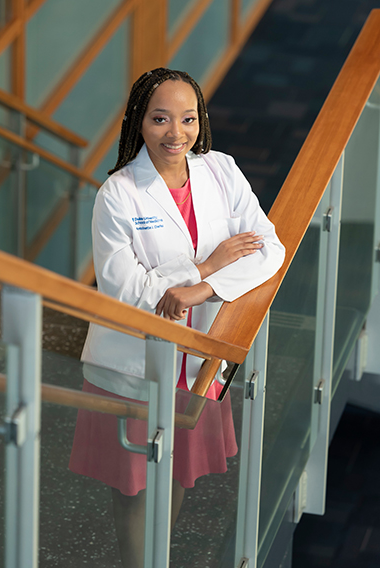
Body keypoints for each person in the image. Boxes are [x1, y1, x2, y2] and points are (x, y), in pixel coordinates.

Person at [69, 67, 285, 567]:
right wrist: (207, 264)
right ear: (138, 123)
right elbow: (129, 292)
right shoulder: (117, 195)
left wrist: (202, 288)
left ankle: (156, 559)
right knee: (134, 486)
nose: (176, 133)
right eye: (160, 119)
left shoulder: (220, 170)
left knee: (177, 474)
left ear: (201, 119)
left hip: (201, 357)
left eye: (188, 119)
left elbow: (268, 248)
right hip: (133, 366)